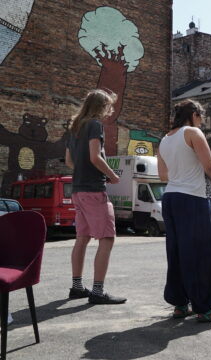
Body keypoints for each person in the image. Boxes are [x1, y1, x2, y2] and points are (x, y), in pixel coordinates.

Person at [157, 99, 211, 322]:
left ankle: (180, 304)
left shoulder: (164, 139)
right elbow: (210, 166)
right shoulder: (193, 133)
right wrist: (209, 180)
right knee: (203, 253)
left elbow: (162, 176)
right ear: (194, 115)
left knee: (178, 252)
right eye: (202, 116)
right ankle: (206, 309)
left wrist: (181, 177)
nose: (203, 121)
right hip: (194, 198)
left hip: (170, 198)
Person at [65, 89, 126, 305]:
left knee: (82, 238)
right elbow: (95, 156)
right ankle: (98, 292)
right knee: (107, 238)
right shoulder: (94, 125)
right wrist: (112, 176)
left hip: (78, 190)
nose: (110, 111)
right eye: (108, 106)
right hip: (93, 190)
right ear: (101, 107)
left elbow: (70, 162)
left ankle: (77, 286)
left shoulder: (75, 128)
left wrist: (86, 171)